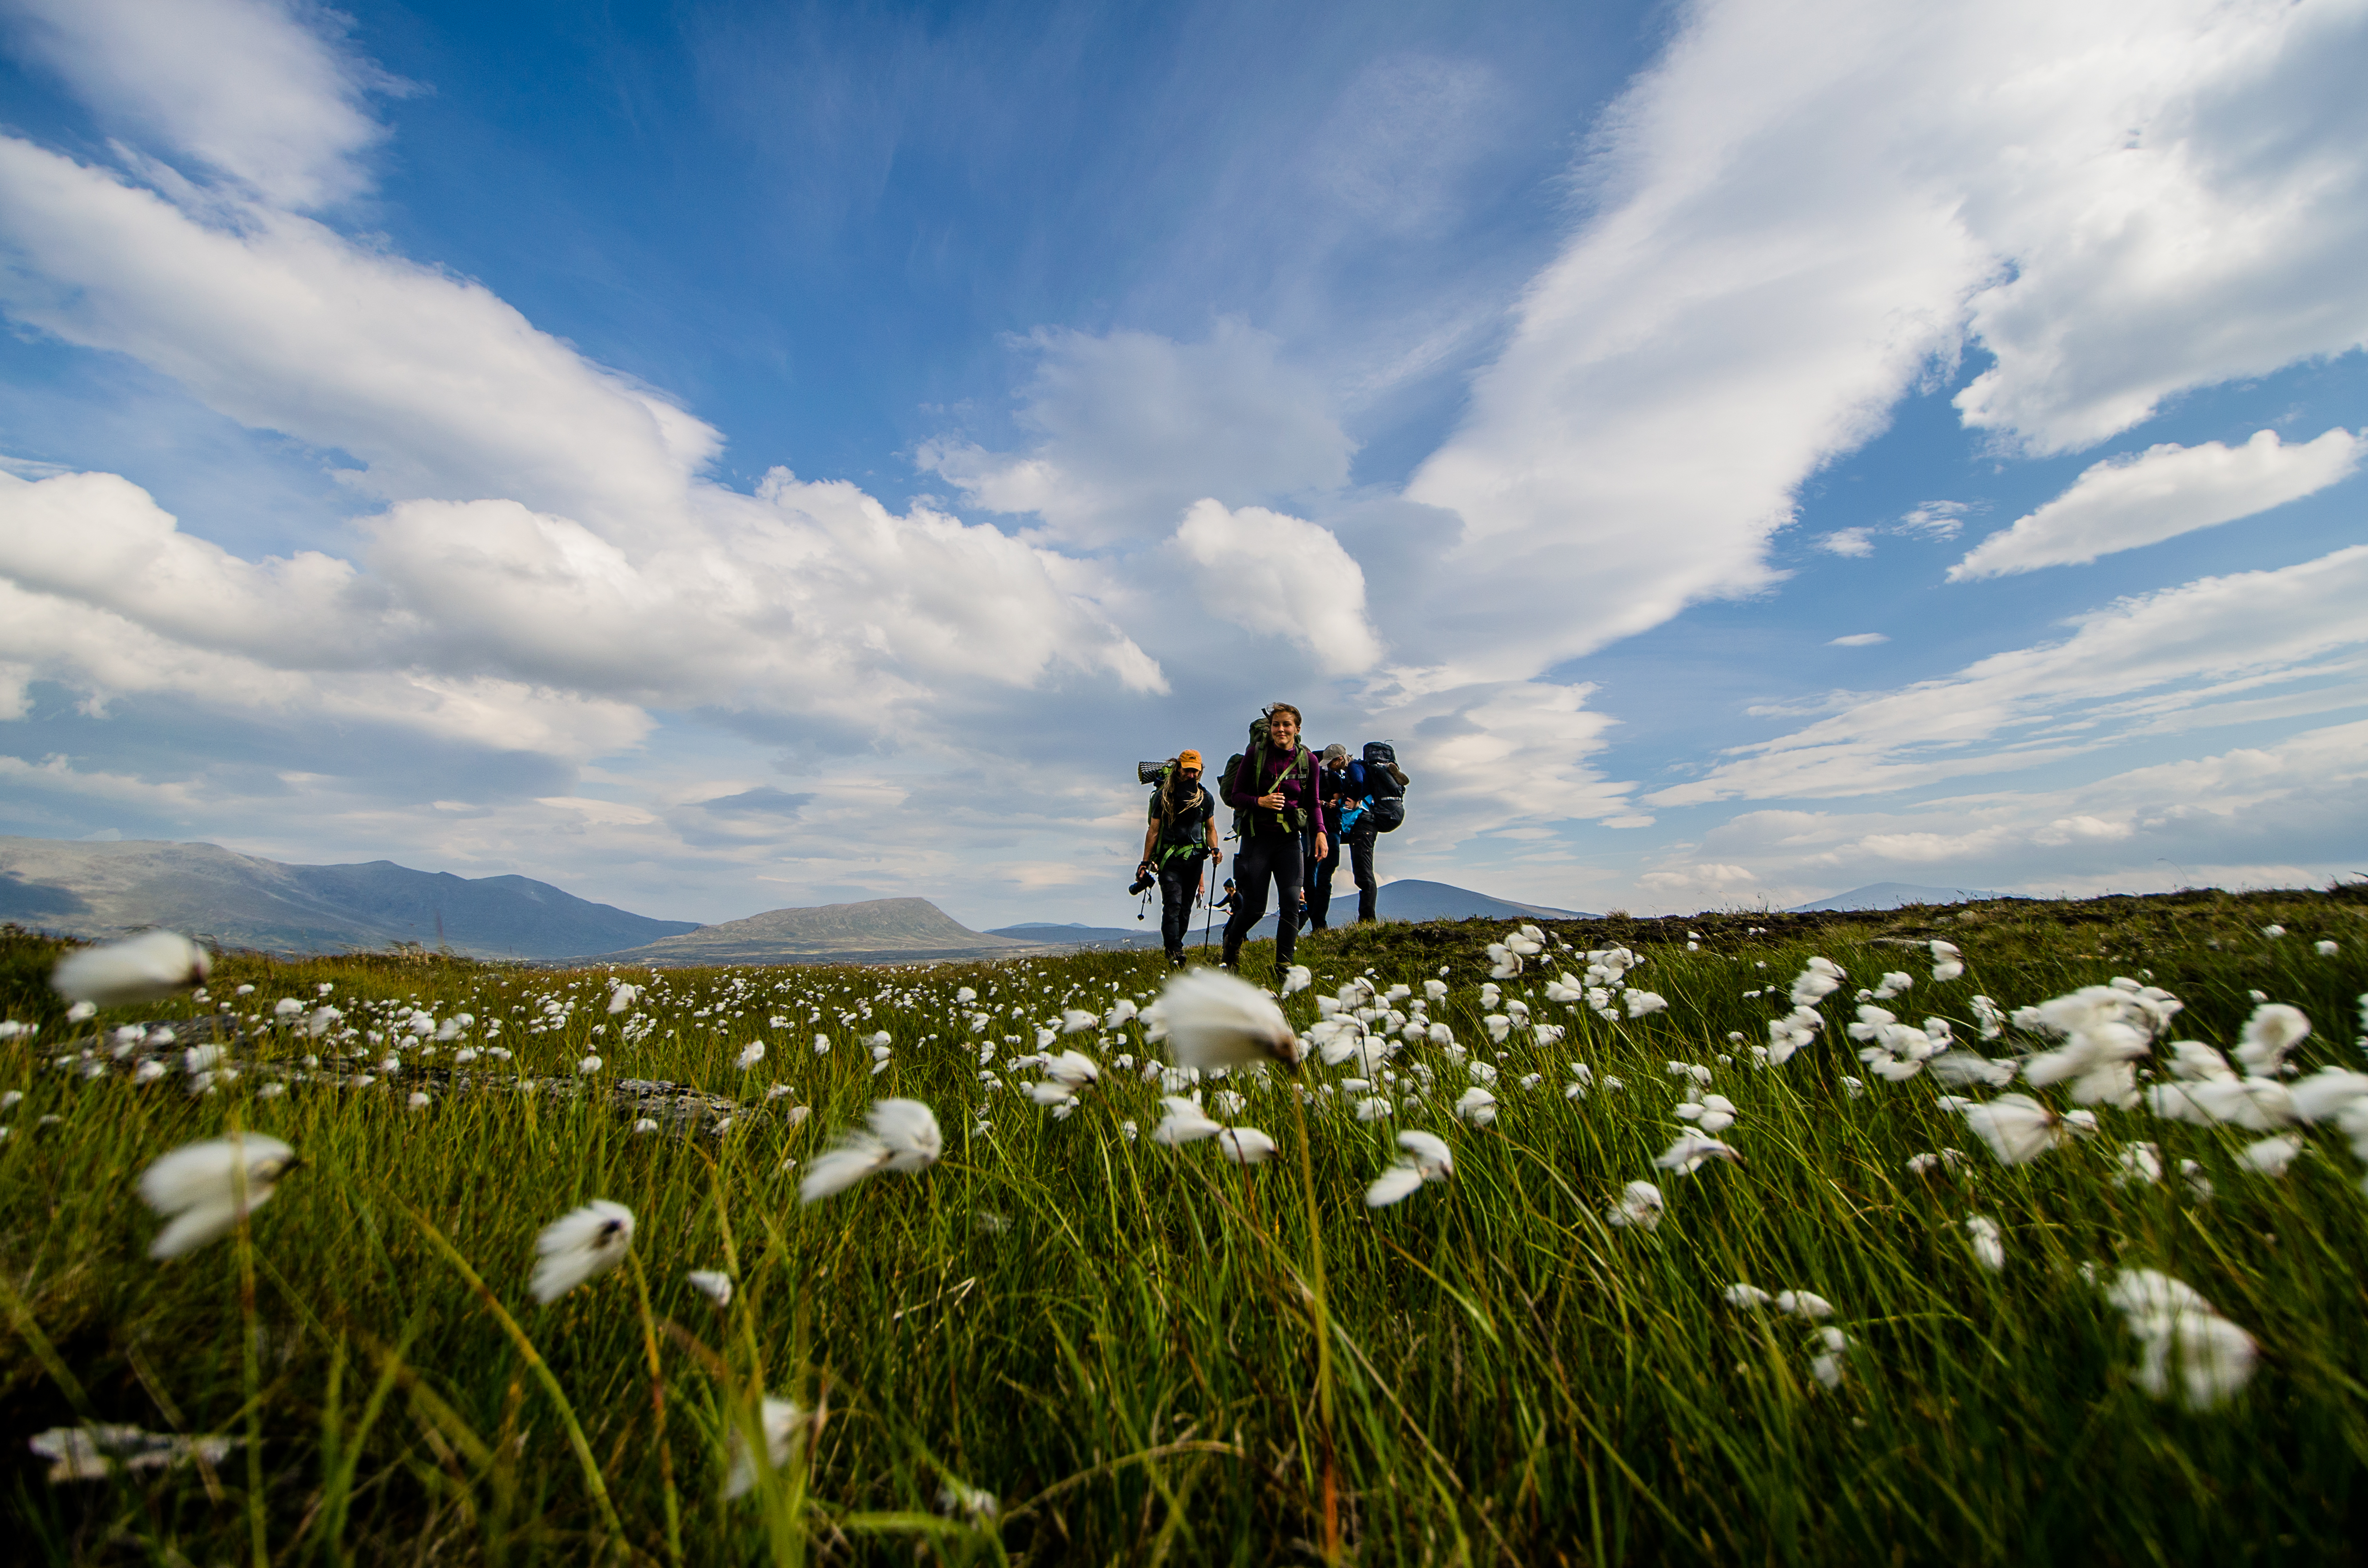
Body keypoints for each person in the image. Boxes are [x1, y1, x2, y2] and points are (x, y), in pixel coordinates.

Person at [1219, 702, 1325, 971]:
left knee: (1292, 904)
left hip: (1290, 840)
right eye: (1276, 724)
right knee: (1255, 908)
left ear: (1297, 729)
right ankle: (1232, 941)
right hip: (1257, 840)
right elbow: (1237, 796)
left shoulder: (1308, 760)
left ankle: (1284, 968)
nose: (1280, 729)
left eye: (1286, 725)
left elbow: (1313, 802)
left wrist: (1320, 832)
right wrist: (1261, 802)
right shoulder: (1255, 755)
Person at [1138, 751, 1222, 968]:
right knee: (1173, 904)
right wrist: (1145, 862)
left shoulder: (1206, 798)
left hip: (1195, 860)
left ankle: (1174, 947)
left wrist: (1215, 849)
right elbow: (1154, 830)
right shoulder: (1163, 797)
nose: (1191, 775)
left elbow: (1211, 829)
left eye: (1195, 771)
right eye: (1187, 770)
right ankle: (1175, 950)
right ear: (1179, 769)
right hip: (1170, 861)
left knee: (1185, 909)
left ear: (1200, 771)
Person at [1307, 743, 1368, 929]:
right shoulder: (1332, 776)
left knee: (1311, 878)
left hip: (1312, 830)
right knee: (1324, 878)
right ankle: (1319, 923)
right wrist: (1331, 803)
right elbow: (1339, 797)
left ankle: (1318, 924)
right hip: (1331, 828)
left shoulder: (1313, 777)